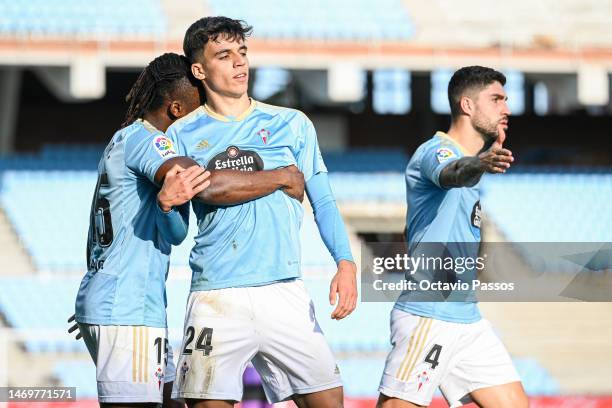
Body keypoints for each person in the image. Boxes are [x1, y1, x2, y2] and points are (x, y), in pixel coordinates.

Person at [73, 52, 305, 408]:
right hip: (125, 307)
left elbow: (175, 231)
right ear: (178, 109)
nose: (205, 116)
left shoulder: (127, 140)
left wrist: (167, 205)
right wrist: (279, 175)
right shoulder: (151, 140)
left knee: (172, 402)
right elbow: (196, 177)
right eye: (201, 107)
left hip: (128, 304)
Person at [166, 16, 358, 408]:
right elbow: (176, 227)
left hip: (283, 289)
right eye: (224, 55)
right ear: (199, 70)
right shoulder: (180, 135)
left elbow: (321, 199)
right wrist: (168, 202)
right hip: (215, 295)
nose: (239, 63)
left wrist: (346, 262)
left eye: (242, 52)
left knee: (329, 401)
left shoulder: (292, 124)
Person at [377, 66, 529, 408]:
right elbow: (452, 173)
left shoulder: (472, 163)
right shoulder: (436, 151)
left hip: (466, 318)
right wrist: (479, 163)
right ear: (467, 105)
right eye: (497, 99)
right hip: (430, 315)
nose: (506, 109)